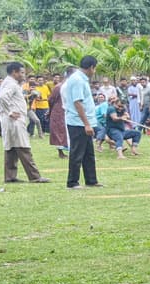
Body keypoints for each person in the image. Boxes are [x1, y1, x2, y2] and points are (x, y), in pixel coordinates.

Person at [0, 61, 49, 184]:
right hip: (14, 120)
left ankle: (10, 176)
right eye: (22, 72)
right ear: (14, 72)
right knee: (23, 146)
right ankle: (35, 176)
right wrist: (10, 111)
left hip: (11, 120)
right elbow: (2, 98)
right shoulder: (11, 84)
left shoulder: (11, 83)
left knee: (11, 147)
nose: (23, 75)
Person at [64, 55, 100, 189]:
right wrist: (86, 124)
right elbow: (77, 102)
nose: (94, 72)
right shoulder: (78, 80)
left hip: (85, 122)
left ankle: (91, 180)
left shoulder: (81, 79)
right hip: (78, 123)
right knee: (77, 153)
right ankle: (72, 182)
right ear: (91, 67)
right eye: (94, 69)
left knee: (88, 154)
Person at [47, 70, 69, 158]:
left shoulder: (70, 86)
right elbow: (51, 100)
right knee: (59, 131)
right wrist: (51, 110)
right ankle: (61, 152)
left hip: (67, 111)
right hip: (58, 111)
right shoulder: (58, 87)